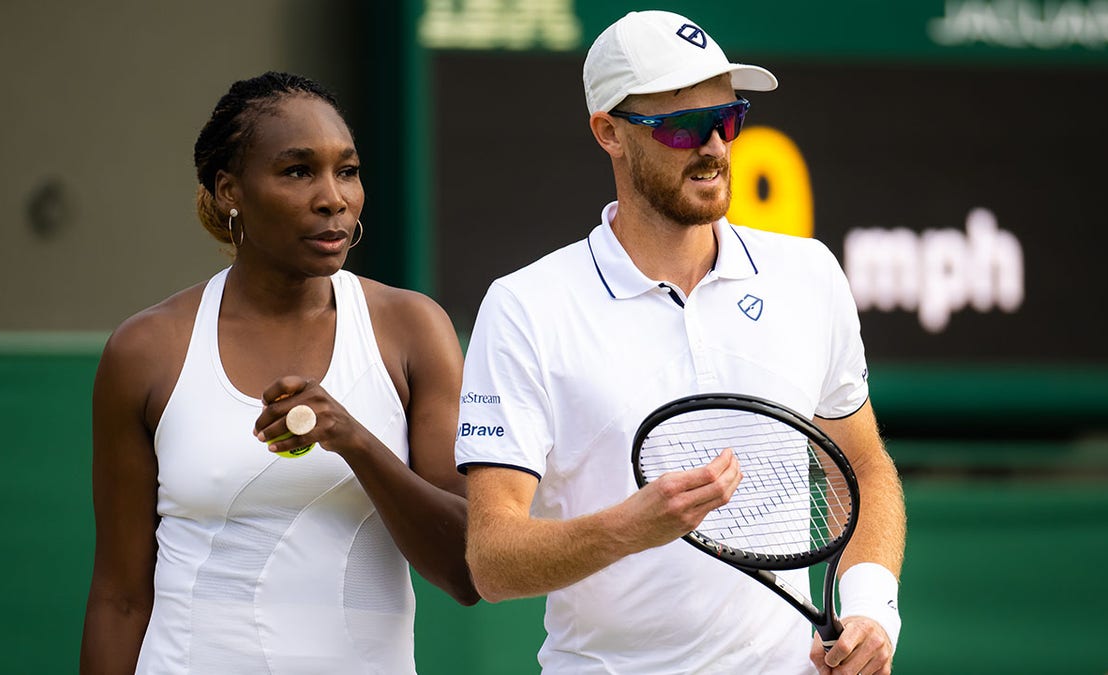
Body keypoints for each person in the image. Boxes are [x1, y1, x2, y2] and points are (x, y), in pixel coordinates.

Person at [456, 10, 905, 675]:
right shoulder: (526, 306)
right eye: (681, 127)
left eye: (727, 119)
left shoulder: (809, 275)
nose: (715, 147)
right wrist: (630, 526)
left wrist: (871, 608)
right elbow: (491, 560)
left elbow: (862, 466)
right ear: (607, 132)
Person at [80, 71, 478, 674]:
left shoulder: (413, 329)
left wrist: (354, 441)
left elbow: (468, 567)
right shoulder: (145, 350)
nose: (333, 197)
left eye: (346, 170)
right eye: (298, 171)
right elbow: (120, 598)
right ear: (229, 191)